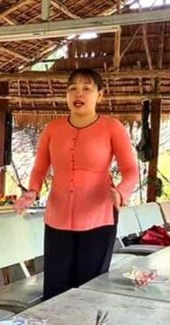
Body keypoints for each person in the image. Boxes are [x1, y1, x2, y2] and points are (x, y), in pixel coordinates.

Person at [14, 68, 138, 300]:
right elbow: (40, 168)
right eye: (73, 89)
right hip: (57, 218)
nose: (78, 94)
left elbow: (131, 171)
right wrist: (32, 191)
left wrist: (121, 193)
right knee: (55, 288)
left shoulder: (112, 127)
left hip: (98, 218)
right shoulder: (53, 128)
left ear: (100, 95)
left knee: (90, 289)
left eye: (86, 89)